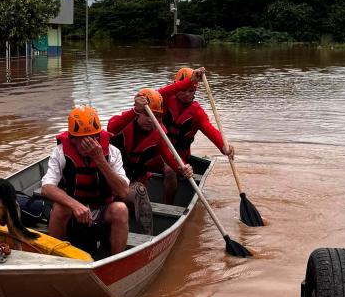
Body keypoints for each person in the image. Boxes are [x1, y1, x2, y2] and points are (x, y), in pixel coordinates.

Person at [41, 105, 131, 255]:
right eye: (81, 138)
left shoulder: (113, 152)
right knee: (59, 208)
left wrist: (100, 159)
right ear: (71, 138)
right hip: (73, 208)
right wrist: (75, 205)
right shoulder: (60, 152)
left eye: (92, 138)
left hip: (103, 208)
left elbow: (123, 191)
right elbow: (46, 187)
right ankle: (51, 257)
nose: (86, 143)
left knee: (121, 210)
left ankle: (116, 260)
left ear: (98, 137)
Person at [107, 88, 193, 234]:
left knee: (141, 189)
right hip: (108, 183)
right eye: (147, 115)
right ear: (138, 112)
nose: (151, 120)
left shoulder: (158, 134)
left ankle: (147, 238)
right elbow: (112, 127)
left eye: (157, 116)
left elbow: (169, 157)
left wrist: (183, 168)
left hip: (129, 185)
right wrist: (135, 110)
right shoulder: (124, 123)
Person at [157, 66, 235, 204]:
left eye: (191, 91)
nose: (187, 94)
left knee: (170, 171)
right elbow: (159, 93)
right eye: (184, 90)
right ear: (177, 87)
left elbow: (210, 130)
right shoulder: (165, 100)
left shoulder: (197, 113)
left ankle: (167, 206)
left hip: (179, 156)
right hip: (157, 152)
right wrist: (189, 81)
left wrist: (224, 146)